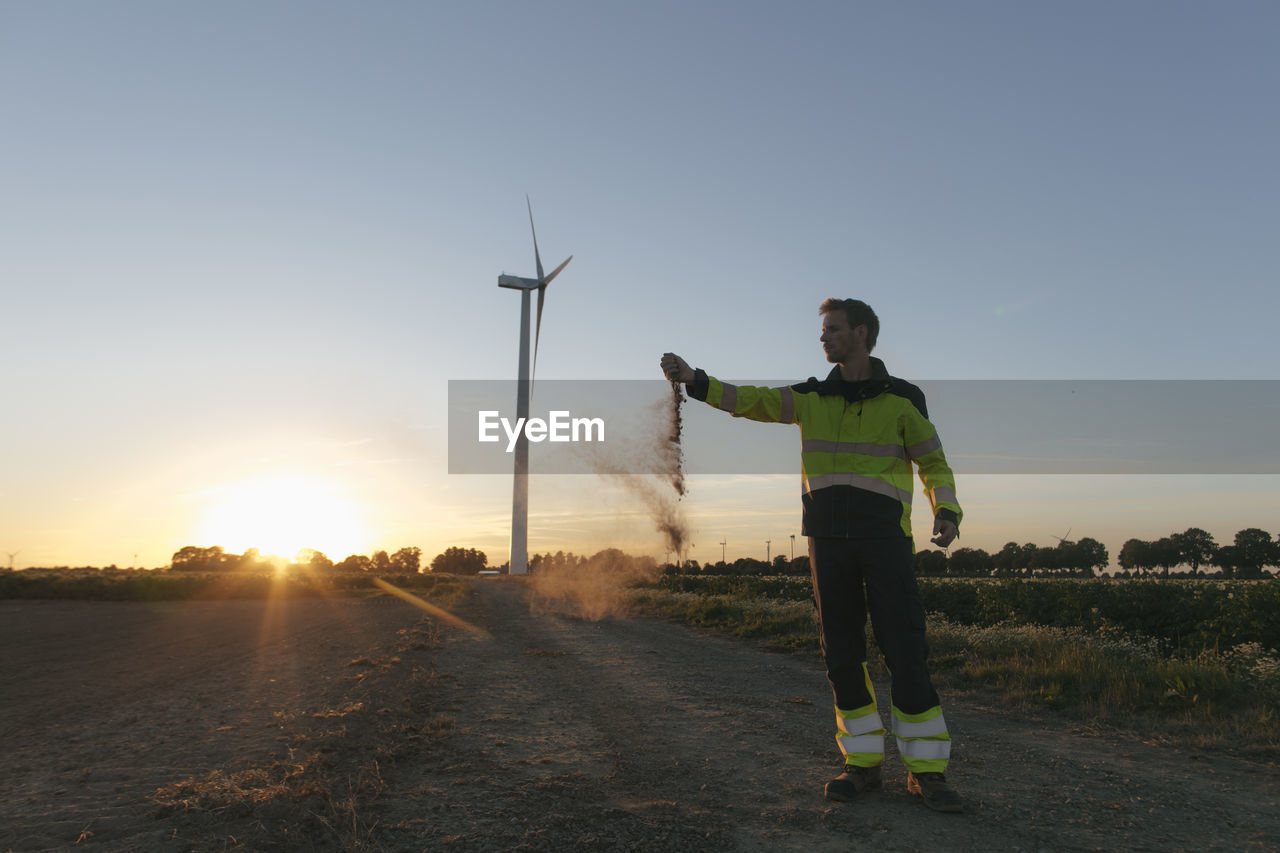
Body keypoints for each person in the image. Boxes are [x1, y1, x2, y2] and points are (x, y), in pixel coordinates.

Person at [660, 298, 964, 813]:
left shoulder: (903, 399)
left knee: (905, 652)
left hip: (885, 541)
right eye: (822, 331)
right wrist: (696, 379)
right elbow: (749, 400)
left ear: (861, 334)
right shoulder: (810, 397)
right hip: (827, 542)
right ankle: (862, 765)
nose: (823, 338)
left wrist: (947, 509)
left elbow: (933, 461)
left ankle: (927, 773)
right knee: (842, 655)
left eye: (832, 330)